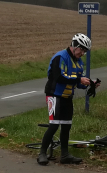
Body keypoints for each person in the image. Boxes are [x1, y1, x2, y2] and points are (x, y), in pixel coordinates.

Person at [37, 33, 98, 165]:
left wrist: (89, 84)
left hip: (67, 97)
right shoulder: (60, 57)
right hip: (54, 95)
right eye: (81, 50)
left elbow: (77, 83)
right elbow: (59, 77)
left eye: (85, 51)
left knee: (66, 126)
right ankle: (42, 153)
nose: (82, 53)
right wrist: (78, 79)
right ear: (74, 46)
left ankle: (65, 155)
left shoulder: (79, 62)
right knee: (54, 125)